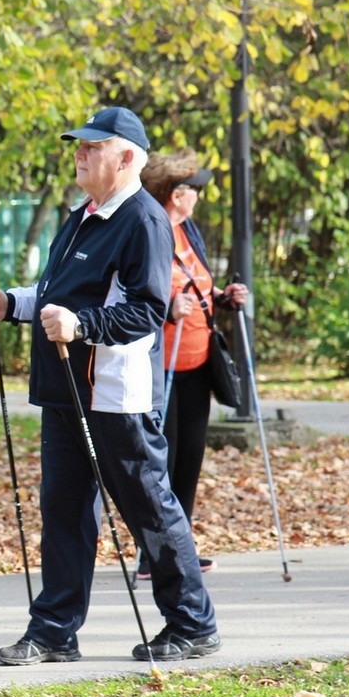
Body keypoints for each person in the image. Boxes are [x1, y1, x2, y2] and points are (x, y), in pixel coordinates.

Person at [0, 106, 220, 664]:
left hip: (116, 396)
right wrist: (12, 303)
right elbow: (57, 292)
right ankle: (54, 631)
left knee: (149, 508)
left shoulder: (143, 221)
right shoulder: (82, 215)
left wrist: (81, 325)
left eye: (91, 147)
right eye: (78, 146)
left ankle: (193, 623)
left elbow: (146, 311)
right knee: (63, 510)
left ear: (126, 157)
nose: (79, 155)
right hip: (66, 391)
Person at [132, 149, 248, 585]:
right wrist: (166, 309)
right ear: (177, 194)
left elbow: (199, 287)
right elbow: (135, 293)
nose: (199, 196)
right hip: (159, 367)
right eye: (195, 189)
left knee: (189, 461)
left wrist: (223, 297)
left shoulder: (189, 232)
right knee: (161, 459)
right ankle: (151, 552)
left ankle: (179, 545)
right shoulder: (150, 232)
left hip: (197, 363)